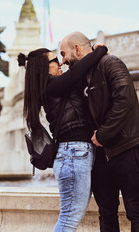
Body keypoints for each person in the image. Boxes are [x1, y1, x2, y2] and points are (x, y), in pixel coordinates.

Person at [59, 32, 139, 232]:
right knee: (106, 214)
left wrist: (102, 135)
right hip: (100, 156)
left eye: (63, 54)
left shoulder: (110, 63)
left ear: (77, 49)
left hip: (127, 148)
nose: (62, 60)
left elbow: (124, 100)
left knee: (136, 213)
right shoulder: (78, 77)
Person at [18, 44, 108, 232]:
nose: (60, 63)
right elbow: (78, 70)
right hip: (73, 154)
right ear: (45, 67)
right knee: (69, 218)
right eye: (55, 60)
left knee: (71, 216)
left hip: (75, 154)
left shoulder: (53, 87)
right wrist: (99, 51)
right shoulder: (52, 86)